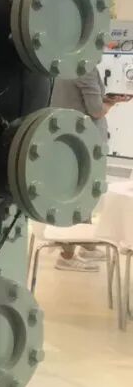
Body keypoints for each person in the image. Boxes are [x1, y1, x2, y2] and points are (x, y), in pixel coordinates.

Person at [51, 68, 129, 271]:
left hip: (65, 137)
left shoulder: (60, 66)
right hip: (86, 142)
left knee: (77, 191)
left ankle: (86, 244)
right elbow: (96, 110)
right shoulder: (85, 70)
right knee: (82, 195)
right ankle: (67, 255)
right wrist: (111, 103)